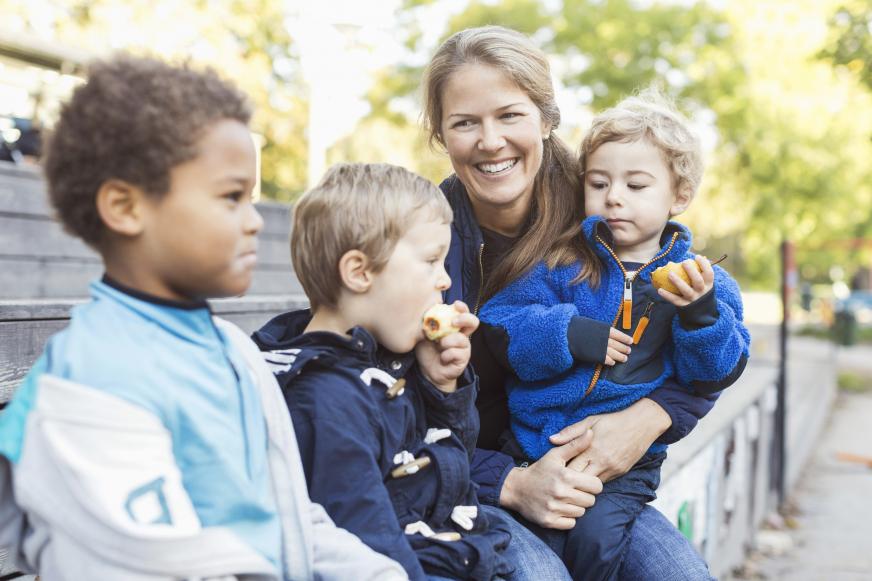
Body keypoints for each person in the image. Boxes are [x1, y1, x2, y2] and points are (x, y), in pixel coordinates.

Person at [0, 56, 404, 581]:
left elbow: (285, 517)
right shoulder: (89, 387)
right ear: (125, 207)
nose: (256, 222)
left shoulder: (232, 350)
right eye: (231, 197)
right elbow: (157, 562)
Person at [422, 25, 724, 578]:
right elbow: (400, 414)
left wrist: (646, 420)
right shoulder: (424, 237)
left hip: (601, 475)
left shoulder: (609, 208)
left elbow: (699, 355)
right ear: (441, 135)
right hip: (479, 472)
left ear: (546, 117)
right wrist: (509, 484)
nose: (490, 141)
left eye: (510, 115)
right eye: (465, 122)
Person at [479, 90, 751, 580]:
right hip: (531, 445)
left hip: (625, 468)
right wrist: (567, 333)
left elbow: (715, 372)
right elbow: (501, 323)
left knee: (596, 541)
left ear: (680, 196)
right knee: (546, 548)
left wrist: (700, 317)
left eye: (636, 184)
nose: (614, 197)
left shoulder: (702, 281)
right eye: (599, 182)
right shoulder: (563, 264)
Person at [252, 162, 531, 581]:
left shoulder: (387, 360)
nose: (443, 282)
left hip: (459, 546)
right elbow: (368, 542)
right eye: (432, 261)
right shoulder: (327, 399)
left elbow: (450, 472)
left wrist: (443, 387)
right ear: (360, 272)